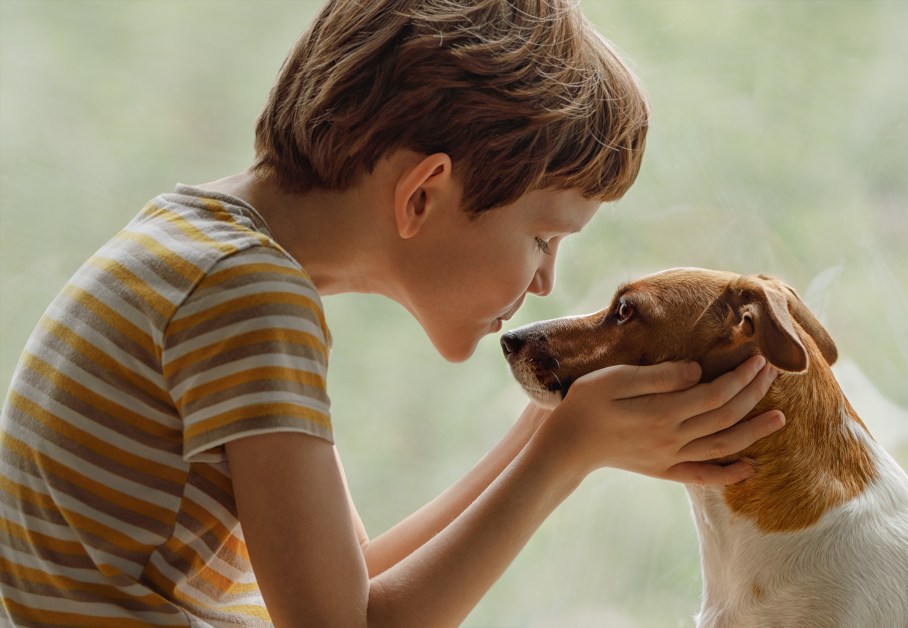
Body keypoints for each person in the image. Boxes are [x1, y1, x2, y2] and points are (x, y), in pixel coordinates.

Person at [0, 0, 785, 625]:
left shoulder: (198, 251)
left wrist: (549, 427)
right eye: (543, 236)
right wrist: (563, 458)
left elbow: (358, 580)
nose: (547, 281)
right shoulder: (246, 299)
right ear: (422, 195)